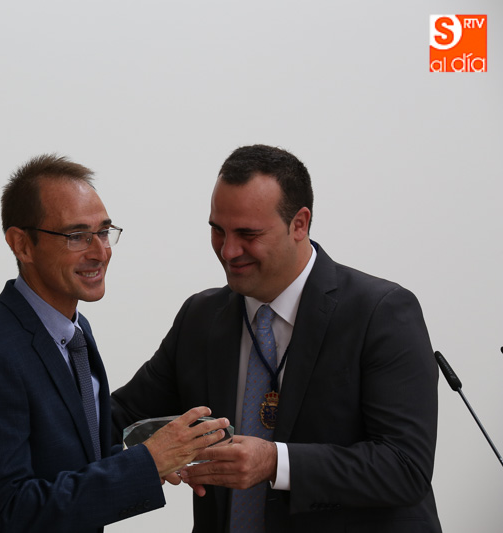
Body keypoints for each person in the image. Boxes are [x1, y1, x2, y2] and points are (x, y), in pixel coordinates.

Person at [111, 144, 441, 532]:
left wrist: (276, 462)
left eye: (247, 234)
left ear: (299, 224)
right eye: (217, 230)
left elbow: (405, 467)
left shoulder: (380, 312)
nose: (228, 251)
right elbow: (121, 418)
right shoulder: (200, 317)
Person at [0, 154, 229, 533]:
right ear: (21, 244)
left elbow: (75, 463)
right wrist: (145, 463)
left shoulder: (76, 331)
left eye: (104, 232)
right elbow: (7, 514)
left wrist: (155, 461)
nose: (100, 252)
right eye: (77, 236)